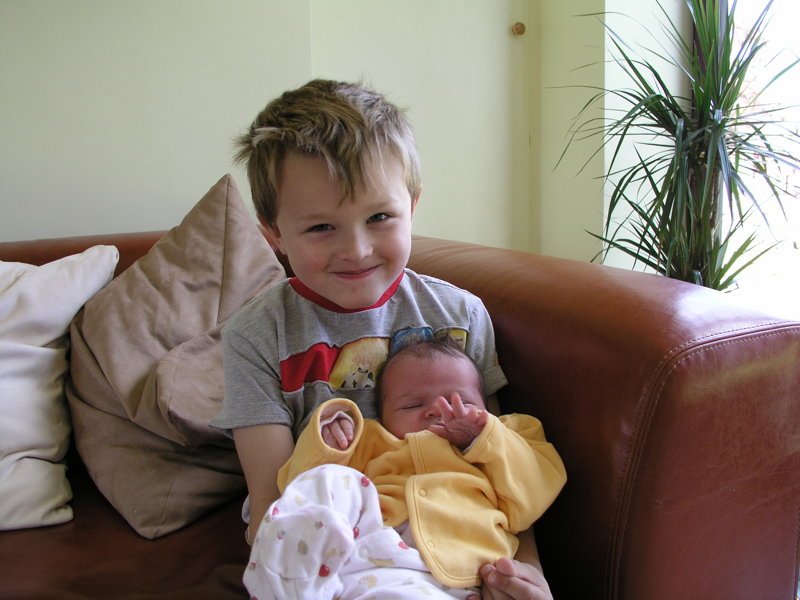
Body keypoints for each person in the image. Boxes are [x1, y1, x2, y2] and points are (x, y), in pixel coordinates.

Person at [211, 79, 554, 599]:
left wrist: (526, 568)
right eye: (321, 227)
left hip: (459, 548)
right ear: (274, 233)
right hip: (333, 559)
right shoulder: (256, 335)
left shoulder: (459, 315)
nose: (357, 249)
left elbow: (498, 469)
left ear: (412, 206)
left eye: (379, 217)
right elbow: (270, 499)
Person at [243, 338, 567, 599]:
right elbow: (299, 485)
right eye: (413, 405)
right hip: (368, 558)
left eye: (462, 403)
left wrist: (485, 438)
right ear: (383, 416)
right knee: (330, 479)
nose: (438, 410)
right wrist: (329, 440)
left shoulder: (507, 435)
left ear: (486, 406)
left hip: (458, 574)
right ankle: (289, 578)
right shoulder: (371, 439)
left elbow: (532, 499)